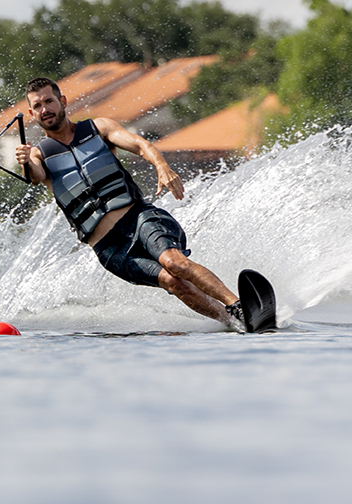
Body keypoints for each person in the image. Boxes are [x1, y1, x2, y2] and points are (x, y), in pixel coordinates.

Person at [14, 77, 248, 331]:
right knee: (173, 282)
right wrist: (25, 160)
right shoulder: (39, 154)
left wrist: (162, 166)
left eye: (49, 101)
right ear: (31, 113)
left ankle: (237, 305)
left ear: (62, 101)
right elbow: (34, 176)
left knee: (174, 262)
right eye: (37, 106)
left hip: (138, 219)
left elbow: (139, 144)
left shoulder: (98, 128)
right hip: (110, 249)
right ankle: (233, 322)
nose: (44, 109)